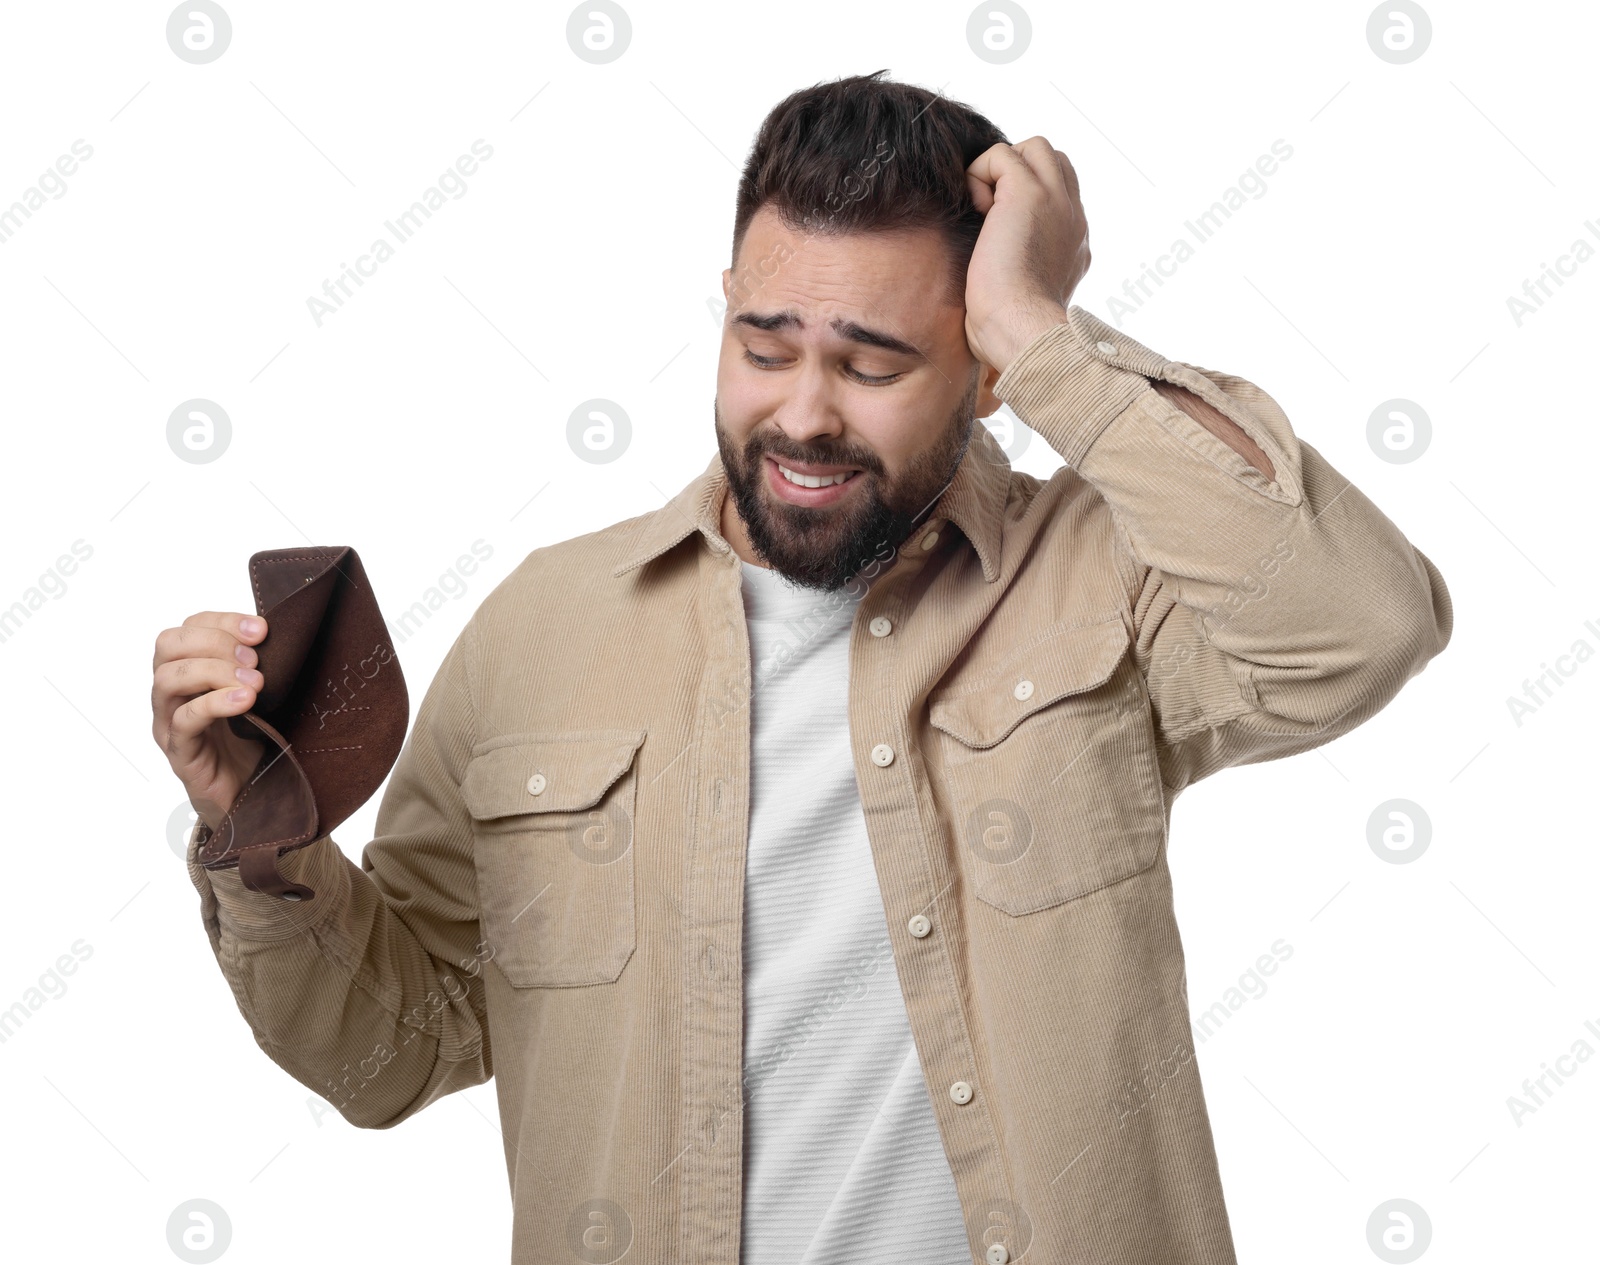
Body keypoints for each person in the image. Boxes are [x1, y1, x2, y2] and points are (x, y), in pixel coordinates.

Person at [149, 70, 1451, 1265]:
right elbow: (398, 1050)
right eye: (766, 348)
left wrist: (1043, 326)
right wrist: (259, 834)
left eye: (873, 362)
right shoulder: (541, 629)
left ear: (985, 373)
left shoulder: (1100, 573)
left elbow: (1362, 624)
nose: (805, 412)